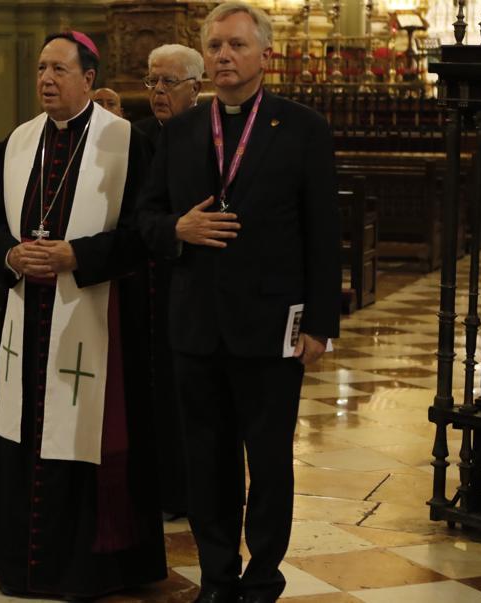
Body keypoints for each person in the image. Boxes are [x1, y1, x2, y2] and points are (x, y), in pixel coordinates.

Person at [137, 4, 341, 602]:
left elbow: (323, 234)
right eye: (216, 45)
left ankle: (264, 577)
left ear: (264, 54)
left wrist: (321, 325)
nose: (225, 55)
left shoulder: (303, 128)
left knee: (270, 464)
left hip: (272, 325)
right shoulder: (179, 132)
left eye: (236, 45)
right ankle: (218, 575)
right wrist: (178, 228)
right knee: (208, 463)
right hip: (196, 326)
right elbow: (145, 219)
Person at [0, 31, 167, 600]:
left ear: (87, 77)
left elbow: (146, 237)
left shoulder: (128, 143)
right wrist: (11, 253)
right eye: (40, 70)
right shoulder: (17, 142)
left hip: (98, 321)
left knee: (83, 436)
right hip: (25, 322)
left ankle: (88, 568)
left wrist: (77, 255)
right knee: (24, 428)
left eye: (59, 70)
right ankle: (19, 565)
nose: (46, 80)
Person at [133, 43, 205, 521]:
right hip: (139, 278)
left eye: (168, 83)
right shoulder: (134, 137)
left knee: (187, 396)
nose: (157, 91)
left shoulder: (209, 137)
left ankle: (186, 492)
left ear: (195, 89)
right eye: (152, 82)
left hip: (190, 282)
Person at [133, 44, 204, 146]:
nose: (158, 88)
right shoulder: (137, 135)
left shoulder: (214, 133)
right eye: (153, 80)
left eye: (169, 81)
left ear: (195, 89)